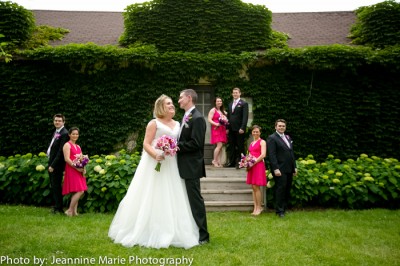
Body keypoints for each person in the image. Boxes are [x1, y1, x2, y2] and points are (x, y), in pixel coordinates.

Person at [109, 94, 199, 249]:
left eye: (172, 103)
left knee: (173, 195)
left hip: (171, 163)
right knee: (152, 194)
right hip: (154, 163)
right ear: (161, 107)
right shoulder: (154, 123)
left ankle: (174, 230)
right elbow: (146, 143)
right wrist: (156, 154)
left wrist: (170, 150)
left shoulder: (178, 123)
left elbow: (178, 143)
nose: (172, 106)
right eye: (168, 103)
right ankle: (148, 229)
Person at [177, 88, 210, 245]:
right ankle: (190, 231)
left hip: (191, 166)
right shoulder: (186, 116)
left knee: (195, 201)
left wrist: (176, 146)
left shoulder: (197, 118)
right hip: (183, 165)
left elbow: (196, 144)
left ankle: (203, 235)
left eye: (181, 98)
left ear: (189, 98)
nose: (179, 101)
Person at [267, 119, 297, 218]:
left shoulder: (287, 137)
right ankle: (279, 211)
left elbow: (291, 152)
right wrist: (275, 168)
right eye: (279, 126)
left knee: (287, 189)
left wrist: (295, 167)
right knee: (280, 189)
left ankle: (284, 209)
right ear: (275, 127)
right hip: (280, 169)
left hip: (289, 168)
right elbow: (272, 155)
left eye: (283, 126)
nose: (281, 127)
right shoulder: (272, 138)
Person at [62, 127, 88, 217]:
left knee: (77, 190)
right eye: (73, 134)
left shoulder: (78, 146)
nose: (75, 136)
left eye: (77, 134)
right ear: (69, 134)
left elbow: (81, 159)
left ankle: (74, 212)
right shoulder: (67, 145)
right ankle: (69, 210)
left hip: (79, 170)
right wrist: (76, 167)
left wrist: (83, 168)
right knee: (81, 191)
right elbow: (67, 159)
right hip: (71, 169)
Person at [47, 114, 69, 214]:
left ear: (63, 122)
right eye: (55, 120)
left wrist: (53, 165)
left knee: (56, 185)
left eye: (59, 121)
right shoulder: (57, 132)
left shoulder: (64, 133)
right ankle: (56, 206)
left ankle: (59, 208)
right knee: (54, 185)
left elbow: (60, 152)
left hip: (57, 165)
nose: (57, 122)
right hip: (51, 162)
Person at [246, 125, 267, 216]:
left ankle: (259, 207)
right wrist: (246, 162)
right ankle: (255, 207)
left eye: (257, 131)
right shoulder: (251, 143)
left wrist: (253, 163)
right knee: (253, 187)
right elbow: (249, 155)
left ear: (260, 132)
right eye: (254, 131)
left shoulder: (262, 142)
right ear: (252, 132)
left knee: (256, 186)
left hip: (258, 165)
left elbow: (263, 155)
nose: (255, 133)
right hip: (251, 166)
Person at [226, 87, 249, 169]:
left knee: (240, 146)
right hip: (231, 128)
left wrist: (243, 127)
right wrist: (227, 128)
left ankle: (241, 163)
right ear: (232, 94)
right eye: (233, 93)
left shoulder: (244, 103)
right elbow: (228, 116)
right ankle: (231, 162)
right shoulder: (230, 104)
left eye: (236, 92)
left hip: (239, 129)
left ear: (240, 93)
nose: (235, 94)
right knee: (231, 145)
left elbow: (245, 117)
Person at [208, 97, 228, 167]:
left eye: (220, 101)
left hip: (222, 129)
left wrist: (225, 121)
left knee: (220, 146)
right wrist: (216, 124)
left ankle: (219, 161)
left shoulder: (223, 111)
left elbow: (225, 121)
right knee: (219, 145)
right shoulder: (213, 110)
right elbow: (209, 119)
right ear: (215, 102)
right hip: (216, 129)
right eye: (218, 101)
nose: (219, 102)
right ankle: (214, 160)